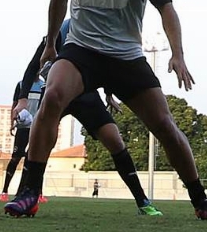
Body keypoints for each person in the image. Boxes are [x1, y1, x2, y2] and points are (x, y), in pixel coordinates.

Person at [3, 0, 207, 221]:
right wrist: (51, 43)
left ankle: (201, 201)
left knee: (165, 125)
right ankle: (29, 193)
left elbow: (167, 8)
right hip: (82, 50)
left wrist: (178, 54)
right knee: (52, 95)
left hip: (125, 56)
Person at [10, 20, 164, 216]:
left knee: (115, 141)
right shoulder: (62, 29)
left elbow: (106, 65)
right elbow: (33, 66)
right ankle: (24, 197)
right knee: (38, 144)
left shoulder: (98, 29)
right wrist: (22, 100)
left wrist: (109, 92)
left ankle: (143, 201)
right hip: (56, 94)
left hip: (85, 95)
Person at [0, 81, 38, 202]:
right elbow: (15, 104)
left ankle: (22, 191)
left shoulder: (43, 85)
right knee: (15, 158)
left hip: (36, 127)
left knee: (31, 159)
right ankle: (5, 190)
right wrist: (12, 122)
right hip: (22, 127)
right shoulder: (22, 85)